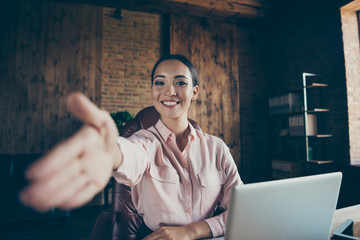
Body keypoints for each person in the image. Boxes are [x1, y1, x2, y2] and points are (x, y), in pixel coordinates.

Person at [20, 54, 243, 239]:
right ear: (153, 90)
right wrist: (110, 155)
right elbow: (129, 154)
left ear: (194, 91)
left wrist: (193, 230)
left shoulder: (218, 148)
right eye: (160, 82)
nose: (169, 91)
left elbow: (241, 210)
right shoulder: (143, 142)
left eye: (180, 82)